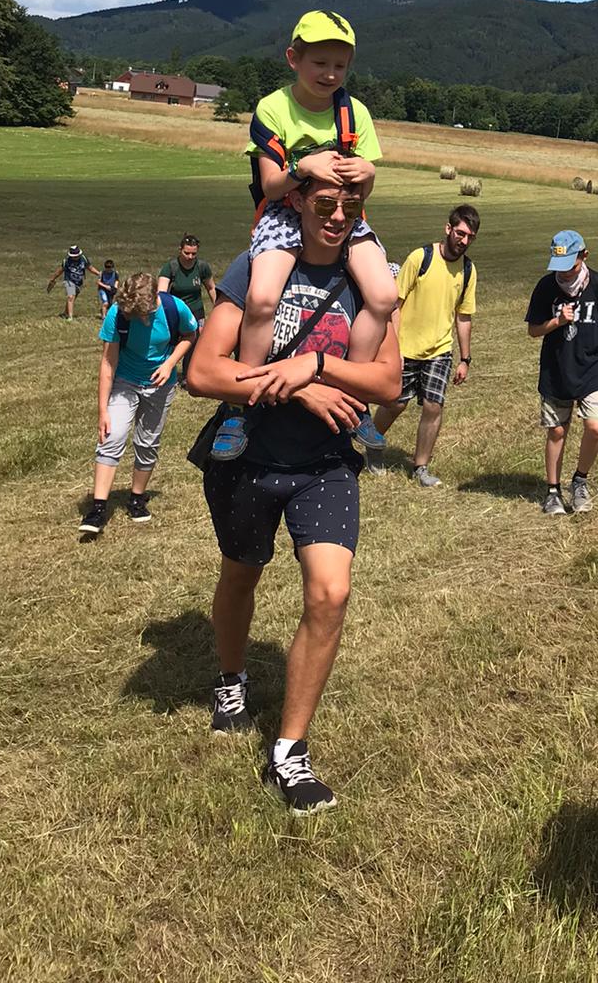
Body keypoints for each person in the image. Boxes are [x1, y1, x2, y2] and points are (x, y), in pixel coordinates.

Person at [186, 177, 401, 814]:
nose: (337, 216)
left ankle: (290, 749)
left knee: (331, 592)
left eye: (351, 206)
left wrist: (318, 366)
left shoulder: (369, 280)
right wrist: (297, 387)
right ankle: (231, 677)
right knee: (241, 575)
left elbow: (387, 382)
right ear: (299, 202)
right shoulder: (257, 267)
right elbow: (204, 371)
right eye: (325, 203)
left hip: (326, 461)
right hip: (248, 453)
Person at [211, 10, 397, 460]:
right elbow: (271, 184)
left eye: (340, 65)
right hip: (284, 211)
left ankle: (354, 397)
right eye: (320, 63)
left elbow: (365, 184)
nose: (331, 74)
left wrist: (367, 172)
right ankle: (240, 404)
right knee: (260, 300)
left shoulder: (355, 113)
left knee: (384, 296)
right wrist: (301, 167)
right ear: (294, 58)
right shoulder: (273, 108)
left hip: (342, 210)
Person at [78, 273, 198, 538]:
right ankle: (98, 509)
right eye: (134, 315)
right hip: (125, 381)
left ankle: (136, 498)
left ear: (155, 298)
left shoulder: (174, 308)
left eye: (143, 313)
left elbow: (190, 334)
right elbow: (108, 363)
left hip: (160, 386)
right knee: (112, 435)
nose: (140, 319)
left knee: (148, 442)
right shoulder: (118, 314)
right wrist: (102, 412)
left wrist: (169, 364)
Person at [368, 205, 480, 488]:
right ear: (448, 229)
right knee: (396, 404)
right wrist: (392, 346)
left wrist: (465, 359)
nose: (463, 240)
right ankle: (372, 445)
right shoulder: (421, 258)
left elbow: (463, 316)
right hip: (405, 347)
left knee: (433, 406)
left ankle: (421, 467)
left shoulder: (468, 270)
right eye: (460, 233)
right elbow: (397, 303)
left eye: (470, 237)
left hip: (439, 350)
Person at [525, 230, 598, 516]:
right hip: (557, 367)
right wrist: (556, 322)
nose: (565, 274)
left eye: (570, 265)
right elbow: (533, 330)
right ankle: (553, 491)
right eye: (559, 267)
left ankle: (580, 480)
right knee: (557, 430)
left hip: (593, 365)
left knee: (595, 426)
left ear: (584, 256)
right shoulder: (546, 287)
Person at [158, 234, 217, 330]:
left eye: (194, 254)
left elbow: (211, 288)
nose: (190, 257)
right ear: (180, 250)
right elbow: (161, 293)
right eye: (187, 253)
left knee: (198, 341)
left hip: (196, 312)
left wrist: (217, 307)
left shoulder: (202, 267)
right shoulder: (171, 267)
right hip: (177, 311)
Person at [47, 244, 91, 321]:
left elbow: (90, 268)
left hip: (79, 282)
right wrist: (53, 279)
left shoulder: (83, 259)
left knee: (72, 298)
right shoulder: (66, 261)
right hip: (69, 281)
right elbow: (59, 271)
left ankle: (65, 313)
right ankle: (70, 317)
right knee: (70, 297)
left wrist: (99, 274)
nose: (75, 257)